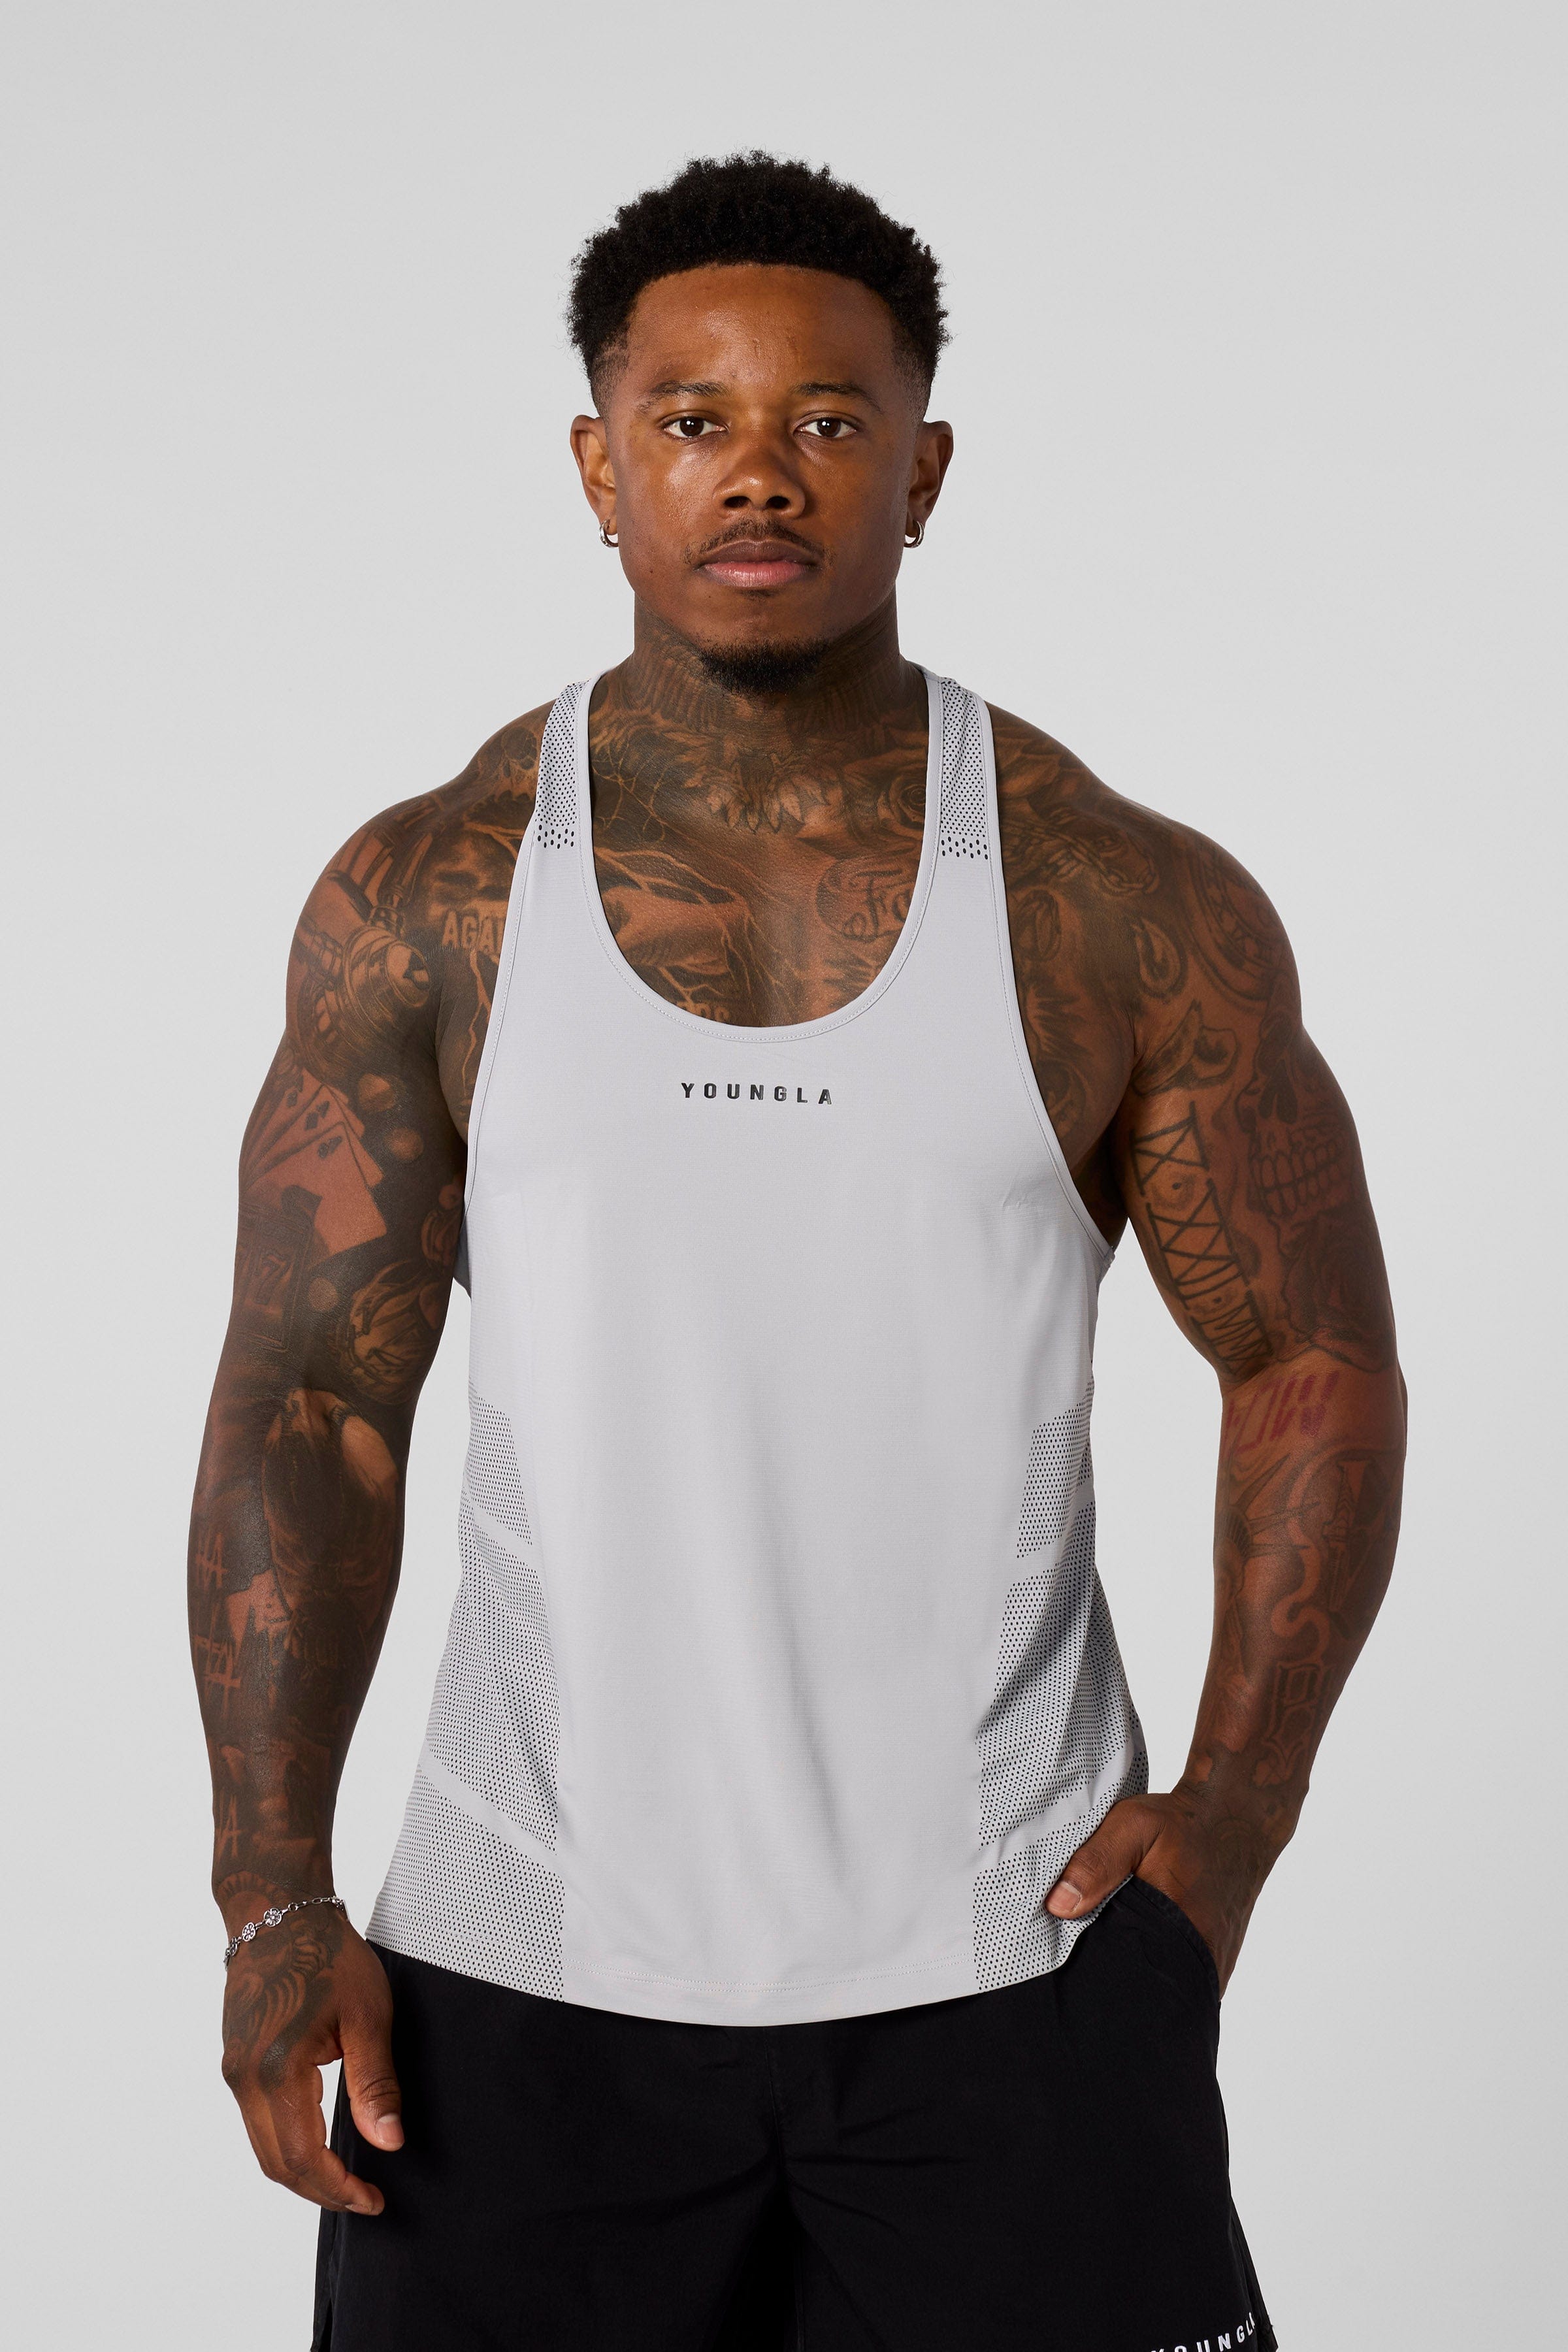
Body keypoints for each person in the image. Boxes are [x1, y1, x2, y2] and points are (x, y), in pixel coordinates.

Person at [190, 152, 1405, 2352]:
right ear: (600, 467)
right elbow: (312, 1393)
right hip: (514, 1989)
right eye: (693, 420)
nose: (760, 471)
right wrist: (271, 1896)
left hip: (1016, 1971)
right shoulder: (434, 896)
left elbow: (1311, 1357)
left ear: (923, 470)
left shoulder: (1121, 903)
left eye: (830, 421)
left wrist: (1237, 1812)